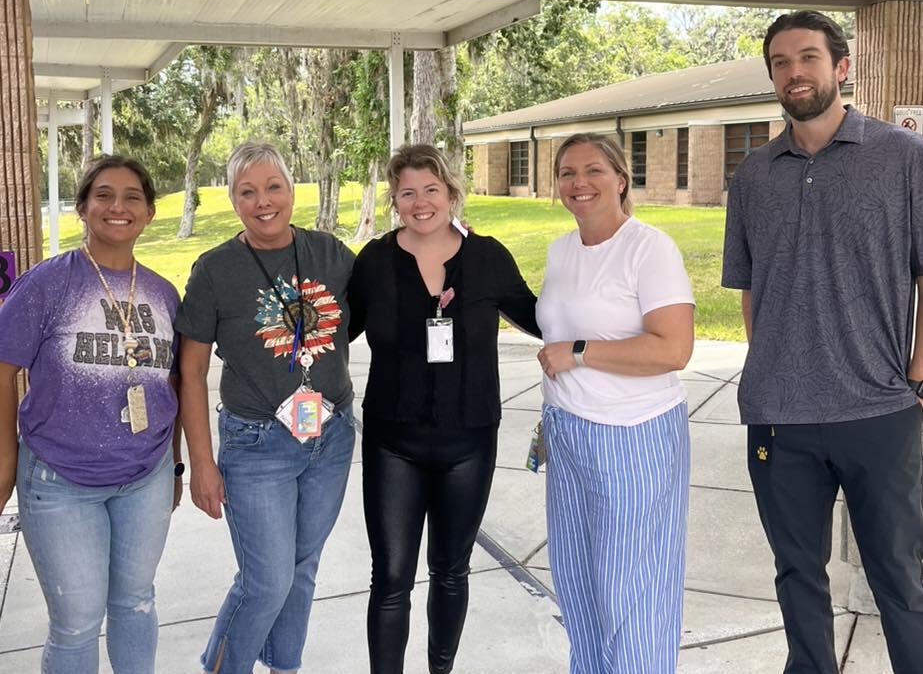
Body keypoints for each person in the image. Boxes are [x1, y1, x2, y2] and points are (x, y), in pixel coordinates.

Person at [722, 10, 923, 674]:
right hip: (780, 419)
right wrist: (771, 372)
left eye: (806, 57)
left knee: (900, 576)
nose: (793, 72)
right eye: (779, 62)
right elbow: (749, 288)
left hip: (879, 410)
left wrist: (917, 377)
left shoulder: (902, 157)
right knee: (796, 575)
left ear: (840, 67)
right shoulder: (751, 176)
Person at [348, 144, 540, 674]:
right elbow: (335, 330)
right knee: (390, 578)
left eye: (431, 189)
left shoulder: (488, 258)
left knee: (451, 571)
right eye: (407, 192)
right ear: (395, 201)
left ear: (452, 194)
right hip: (394, 443)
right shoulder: (375, 261)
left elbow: (540, 316)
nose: (420, 202)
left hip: (469, 439)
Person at [176, 141, 356, 674]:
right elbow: (190, 372)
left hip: (331, 436)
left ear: (292, 188)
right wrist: (200, 464)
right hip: (255, 445)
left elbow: (382, 309)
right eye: (247, 192)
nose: (263, 202)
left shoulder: (332, 255)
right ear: (232, 200)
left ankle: (284, 665)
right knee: (266, 580)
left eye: (273, 187)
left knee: (301, 569)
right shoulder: (215, 270)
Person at [0, 155, 182, 674]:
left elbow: (170, 384)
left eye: (132, 197)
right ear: (82, 207)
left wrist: (173, 464)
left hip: (143, 478)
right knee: (77, 622)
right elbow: (2, 369)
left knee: (136, 602)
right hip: (60, 480)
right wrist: (6, 462)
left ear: (148, 212)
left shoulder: (162, 294)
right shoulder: (45, 285)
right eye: (103, 195)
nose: (117, 207)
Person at [536, 133, 695, 673]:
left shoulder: (648, 248)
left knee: (633, 590)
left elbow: (673, 349)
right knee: (578, 585)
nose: (579, 183)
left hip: (633, 434)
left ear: (621, 180)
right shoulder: (562, 250)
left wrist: (578, 353)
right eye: (567, 173)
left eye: (594, 171)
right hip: (567, 432)